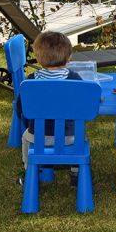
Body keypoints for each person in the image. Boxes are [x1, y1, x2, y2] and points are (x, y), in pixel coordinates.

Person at [18, 31, 80, 183]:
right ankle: (76, 172)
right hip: (69, 137)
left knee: (25, 139)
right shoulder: (75, 79)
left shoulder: (30, 81)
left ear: (38, 58)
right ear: (69, 57)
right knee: (81, 138)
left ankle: (30, 173)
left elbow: (21, 110)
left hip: (37, 136)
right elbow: (86, 106)